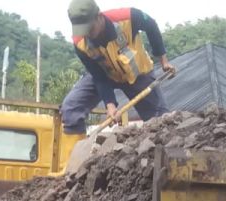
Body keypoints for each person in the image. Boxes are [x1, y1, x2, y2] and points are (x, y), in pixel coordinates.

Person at [61, 0, 175, 135]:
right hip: (106, 75)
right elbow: (98, 76)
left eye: (90, 29)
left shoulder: (128, 17)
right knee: (71, 108)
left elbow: (151, 25)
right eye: (83, 30)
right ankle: (75, 153)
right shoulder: (80, 43)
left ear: (99, 16)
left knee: (161, 120)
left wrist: (163, 60)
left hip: (138, 74)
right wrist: (110, 104)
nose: (88, 34)